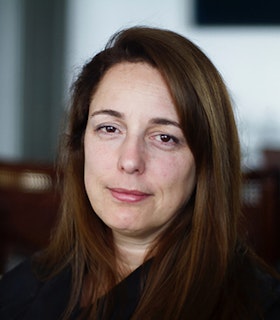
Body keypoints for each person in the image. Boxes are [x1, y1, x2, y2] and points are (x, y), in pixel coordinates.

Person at [0, 26, 279, 320]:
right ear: (80, 144)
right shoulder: (24, 286)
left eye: (165, 137)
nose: (130, 161)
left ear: (205, 161)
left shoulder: (260, 308)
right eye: (109, 128)